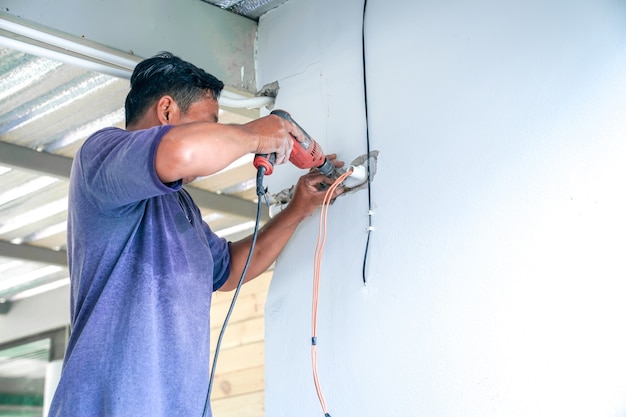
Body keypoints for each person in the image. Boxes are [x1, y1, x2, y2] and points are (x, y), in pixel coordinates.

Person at [49, 51, 344, 417]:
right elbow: (182, 152)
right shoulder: (101, 155)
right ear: (168, 111)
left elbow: (229, 269)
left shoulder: (180, 205)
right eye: (212, 124)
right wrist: (253, 134)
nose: (222, 134)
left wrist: (299, 209)